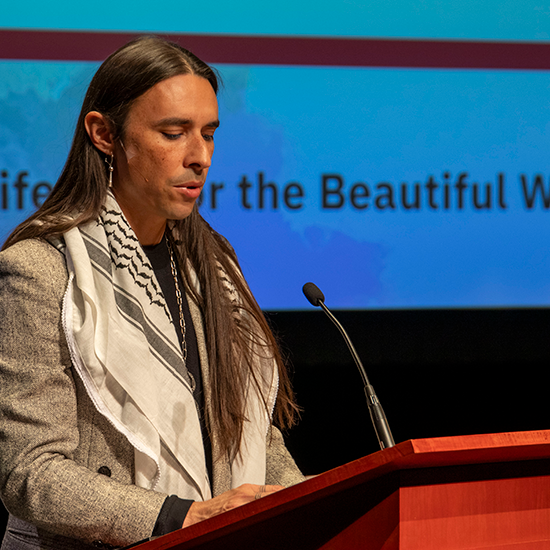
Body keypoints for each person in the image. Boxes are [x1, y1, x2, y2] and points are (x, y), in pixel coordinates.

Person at [0, 36, 303, 549]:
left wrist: (316, 502)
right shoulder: (39, 269)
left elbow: (249, 437)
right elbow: (31, 472)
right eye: (173, 132)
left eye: (208, 134)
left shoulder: (213, 265)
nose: (200, 156)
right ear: (104, 134)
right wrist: (177, 516)